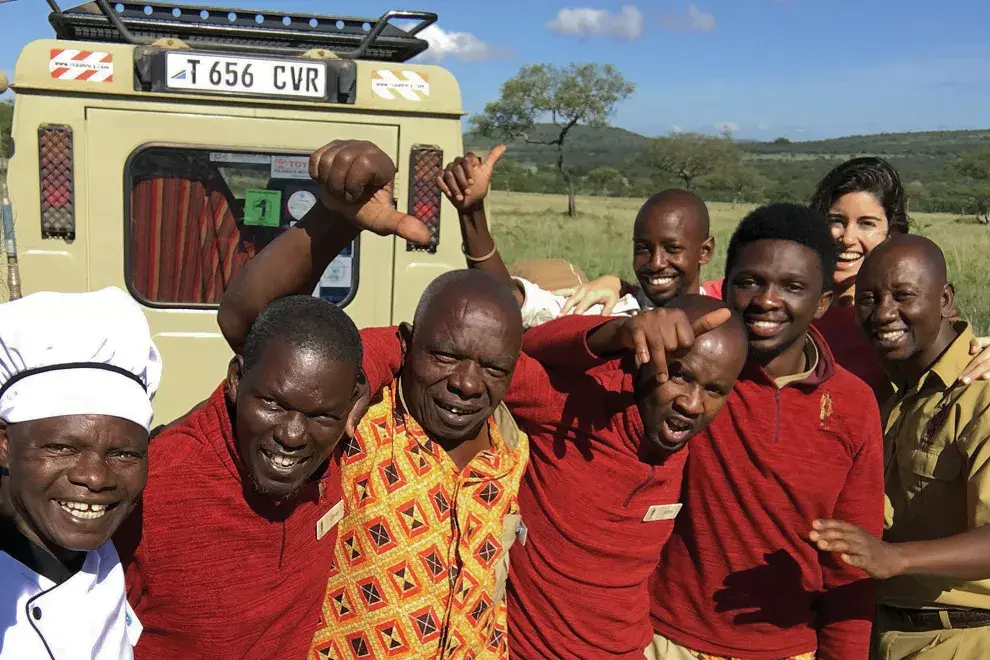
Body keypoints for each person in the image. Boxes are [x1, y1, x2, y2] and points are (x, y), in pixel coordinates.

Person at [358, 148, 750, 658]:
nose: (693, 403)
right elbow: (509, 340)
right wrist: (615, 332)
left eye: (713, 390)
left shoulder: (710, 376)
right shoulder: (581, 405)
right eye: (674, 374)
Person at [216, 140, 531, 659]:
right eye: (445, 357)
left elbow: (511, 330)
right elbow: (253, 328)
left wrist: (473, 217)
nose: (468, 385)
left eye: (493, 369)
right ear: (406, 344)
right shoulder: (355, 427)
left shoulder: (512, 447)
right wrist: (332, 220)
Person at [645, 203, 885, 660]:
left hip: (786, 647)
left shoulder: (852, 406)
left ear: (822, 303)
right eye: (749, 281)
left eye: (792, 287)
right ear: (724, 285)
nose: (767, 300)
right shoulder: (691, 371)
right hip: (665, 638)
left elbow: (850, 561)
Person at [113, 294, 364, 659]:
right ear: (235, 378)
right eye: (273, 404)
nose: (292, 436)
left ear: (352, 403)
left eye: (321, 416)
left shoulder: (335, 437)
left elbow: (407, 344)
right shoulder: (151, 493)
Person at [809, 235, 990, 659]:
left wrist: (897, 558)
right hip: (880, 631)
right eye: (869, 299)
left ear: (945, 300)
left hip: (961, 636)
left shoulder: (980, 395)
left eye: (903, 295)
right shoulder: (889, 390)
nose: (884, 312)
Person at [0, 287, 161, 659]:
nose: (95, 477)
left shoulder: (98, 557)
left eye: (124, 454)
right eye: (63, 448)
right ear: (5, 446)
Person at [440, 146, 721, 328]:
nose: (656, 262)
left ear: (705, 252)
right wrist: (472, 213)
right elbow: (508, 299)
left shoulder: (734, 313)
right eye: (643, 248)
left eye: (672, 248)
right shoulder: (609, 311)